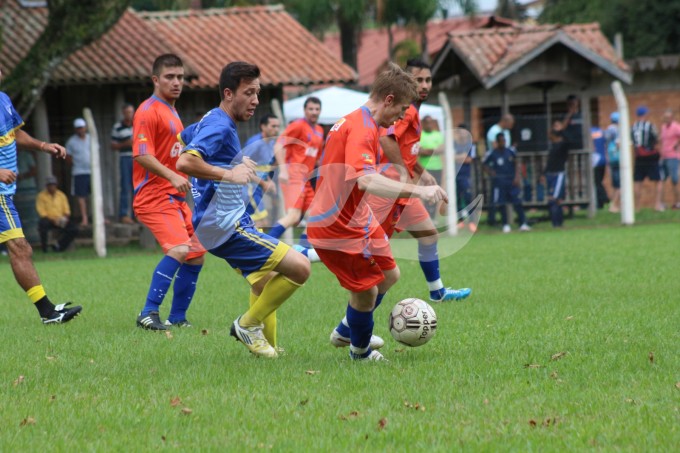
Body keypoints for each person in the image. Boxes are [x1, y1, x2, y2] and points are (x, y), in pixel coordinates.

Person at [308, 63, 448, 361]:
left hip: (357, 216)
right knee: (367, 293)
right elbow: (366, 179)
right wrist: (418, 190)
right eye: (400, 111)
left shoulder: (365, 123)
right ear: (388, 100)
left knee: (390, 274)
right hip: (338, 225)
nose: (400, 118)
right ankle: (359, 352)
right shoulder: (361, 128)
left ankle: (347, 329)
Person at [176, 61, 310, 359]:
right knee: (300, 268)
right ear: (228, 93)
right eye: (248, 93)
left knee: (264, 280)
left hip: (221, 223)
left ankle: (269, 349)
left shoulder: (212, 118)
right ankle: (247, 325)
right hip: (226, 225)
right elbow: (185, 161)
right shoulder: (220, 125)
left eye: (258, 93)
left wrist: (226, 167)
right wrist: (229, 174)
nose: (255, 100)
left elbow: (182, 139)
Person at [362, 58, 471, 307]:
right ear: (405, 81)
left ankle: (437, 291)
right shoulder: (407, 109)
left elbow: (403, 146)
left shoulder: (413, 109)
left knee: (429, 235)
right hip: (388, 187)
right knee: (364, 250)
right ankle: (302, 255)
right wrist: (404, 173)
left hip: (403, 188)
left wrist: (420, 170)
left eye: (428, 80)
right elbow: (387, 140)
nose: (424, 85)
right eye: (418, 79)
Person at [0, 67, 82, 324]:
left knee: (19, 247)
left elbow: (15, 134)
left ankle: (48, 312)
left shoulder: (3, 99)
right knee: (20, 246)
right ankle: (48, 312)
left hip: (6, 193)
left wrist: (43, 146)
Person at [132, 53, 206, 330]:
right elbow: (141, 155)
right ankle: (148, 313)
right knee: (179, 249)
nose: (176, 82)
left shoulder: (171, 111)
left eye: (180, 77)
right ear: (155, 79)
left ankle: (177, 318)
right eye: (170, 77)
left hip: (174, 197)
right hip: (153, 195)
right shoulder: (148, 111)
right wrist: (173, 175)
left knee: (196, 254)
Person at [269, 97, 324, 248]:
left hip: (306, 178)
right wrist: (283, 171)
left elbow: (316, 158)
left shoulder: (319, 131)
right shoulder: (298, 126)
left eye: (317, 109)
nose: (314, 112)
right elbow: (279, 144)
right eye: (311, 109)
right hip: (294, 175)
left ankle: (301, 250)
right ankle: (265, 243)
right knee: (293, 216)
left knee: (315, 216)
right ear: (305, 110)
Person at [483, 133, 530, 233]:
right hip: (499, 182)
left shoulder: (510, 152)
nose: (503, 142)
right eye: (501, 141)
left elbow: (517, 163)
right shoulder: (493, 153)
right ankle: (505, 224)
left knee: (517, 202)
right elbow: (484, 164)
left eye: (504, 140)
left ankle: (523, 223)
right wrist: (491, 172)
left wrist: (517, 177)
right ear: (497, 142)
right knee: (502, 204)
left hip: (511, 181)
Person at [242, 113, 280, 228]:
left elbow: (267, 167)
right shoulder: (255, 144)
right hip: (248, 190)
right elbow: (242, 168)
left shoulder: (272, 143)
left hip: (257, 189)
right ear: (263, 126)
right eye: (273, 126)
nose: (276, 129)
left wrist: (269, 180)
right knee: (260, 222)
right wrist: (264, 184)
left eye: (278, 126)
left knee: (256, 224)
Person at [36, 175, 78, 252]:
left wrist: (64, 219)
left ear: (56, 185)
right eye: (49, 185)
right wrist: (52, 220)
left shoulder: (61, 195)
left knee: (73, 229)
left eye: (53, 185)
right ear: (47, 186)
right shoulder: (41, 196)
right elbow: (42, 212)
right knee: (42, 225)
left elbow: (67, 211)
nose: (51, 187)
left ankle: (59, 246)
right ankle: (44, 249)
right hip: (48, 219)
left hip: (60, 219)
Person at [631, 105, 661, 211]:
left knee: (637, 181)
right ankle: (657, 205)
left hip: (639, 157)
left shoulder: (633, 127)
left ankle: (637, 207)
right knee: (657, 180)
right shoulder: (650, 126)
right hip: (651, 156)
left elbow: (632, 143)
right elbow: (657, 139)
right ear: (645, 114)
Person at [111, 103, 135, 224]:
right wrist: (125, 144)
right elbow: (113, 145)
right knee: (125, 187)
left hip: (138, 158)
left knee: (137, 186)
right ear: (123, 113)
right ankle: (124, 214)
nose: (129, 114)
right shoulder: (117, 127)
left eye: (131, 112)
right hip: (125, 158)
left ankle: (138, 214)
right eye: (127, 112)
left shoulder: (138, 125)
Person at [65, 117, 91, 226]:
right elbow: (68, 157)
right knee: (81, 196)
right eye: (78, 128)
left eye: (82, 127)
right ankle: (84, 218)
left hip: (92, 171)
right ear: (76, 129)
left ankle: (96, 217)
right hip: (79, 171)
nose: (80, 130)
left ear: (85, 127)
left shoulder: (91, 138)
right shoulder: (71, 141)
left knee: (94, 194)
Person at [543, 121, 570, 227]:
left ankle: (557, 224)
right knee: (554, 199)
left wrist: (562, 130)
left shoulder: (563, 145)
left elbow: (569, 140)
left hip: (558, 175)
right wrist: (544, 174)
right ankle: (557, 222)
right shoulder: (553, 147)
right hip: (550, 174)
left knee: (554, 199)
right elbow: (550, 162)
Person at [454, 123, 477, 229]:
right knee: (457, 198)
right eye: (460, 132)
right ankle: (460, 221)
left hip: (465, 176)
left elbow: (469, 159)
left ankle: (472, 222)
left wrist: (457, 157)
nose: (462, 135)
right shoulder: (453, 144)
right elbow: (450, 157)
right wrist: (461, 157)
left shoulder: (471, 145)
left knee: (468, 197)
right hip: (454, 175)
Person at [659, 108, 680, 209]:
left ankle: (677, 202)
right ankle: (662, 203)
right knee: (661, 179)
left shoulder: (676, 127)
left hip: (673, 157)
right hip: (664, 157)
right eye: (665, 117)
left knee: (674, 180)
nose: (666, 119)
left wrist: (677, 145)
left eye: (668, 117)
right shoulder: (663, 127)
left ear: (672, 117)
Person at [605, 112, 621, 212]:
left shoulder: (607, 130)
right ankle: (613, 205)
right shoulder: (618, 130)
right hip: (618, 158)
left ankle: (616, 205)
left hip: (610, 159)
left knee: (615, 184)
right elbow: (618, 144)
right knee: (621, 184)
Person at [591, 124, 609, 208]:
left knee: (596, 182)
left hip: (595, 160)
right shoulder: (601, 131)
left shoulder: (588, 132)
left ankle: (603, 198)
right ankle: (601, 201)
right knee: (599, 181)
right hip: (603, 159)